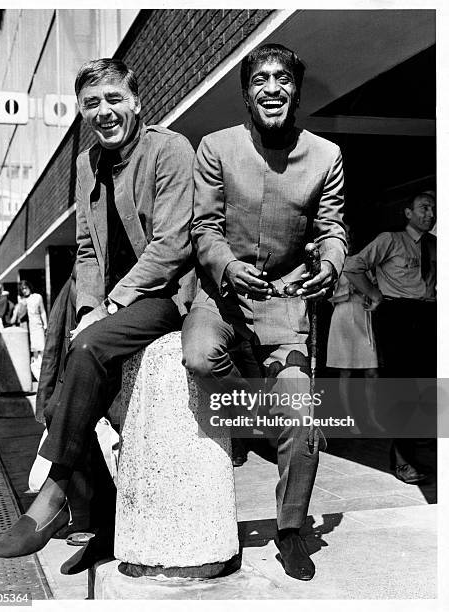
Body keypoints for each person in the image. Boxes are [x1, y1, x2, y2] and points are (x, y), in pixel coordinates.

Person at [0, 58, 195, 569]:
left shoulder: (169, 150)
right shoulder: (86, 164)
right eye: (91, 104)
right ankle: (103, 518)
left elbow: (173, 245)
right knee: (60, 397)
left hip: (165, 297)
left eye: (113, 99)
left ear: (135, 101)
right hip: (106, 303)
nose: (104, 112)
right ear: (82, 112)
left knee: (86, 348)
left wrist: (107, 307)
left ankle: (56, 495)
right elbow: (85, 248)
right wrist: (87, 307)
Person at [181, 43, 346, 581]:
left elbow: (332, 228)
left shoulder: (325, 156)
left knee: (299, 413)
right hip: (221, 295)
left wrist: (331, 261)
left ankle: (292, 529)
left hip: (285, 301)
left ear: (295, 89)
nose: (271, 88)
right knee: (201, 357)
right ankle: (255, 420)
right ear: (247, 91)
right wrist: (227, 267)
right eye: (260, 79)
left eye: (282, 79)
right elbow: (202, 227)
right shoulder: (216, 147)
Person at [344, 192, 436, 484]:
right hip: (398, 315)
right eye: (424, 207)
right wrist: (374, 294)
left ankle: (419, 444)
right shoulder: (390, 240)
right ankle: (402, 460)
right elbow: (352, 266)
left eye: (433, 209)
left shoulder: (436, 245)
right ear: (408, 213)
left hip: (428, 315)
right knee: (402, 386)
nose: (430, 213)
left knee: (427, 384)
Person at [326, 271, 384, 434]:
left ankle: (371, 417)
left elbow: (377, 292)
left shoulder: (367, 265)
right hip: (343, 316)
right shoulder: (339, 266)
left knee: (372, 372)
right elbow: (330, 298)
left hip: (363, 315)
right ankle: (349, 418)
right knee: (346, 372)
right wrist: (348, 291)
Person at [15, 280, 47, 378]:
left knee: (41, 348)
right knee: (32, 351)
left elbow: (42, 311)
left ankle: (42, 372)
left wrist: (45, 324)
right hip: (26, 328)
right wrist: (21, 304)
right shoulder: (21, 300)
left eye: (25, 288)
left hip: (37, 326)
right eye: (22, 289)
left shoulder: (37, 297)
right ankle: (35, 373)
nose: (24, 291)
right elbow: (19, 315)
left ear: (29, 287)